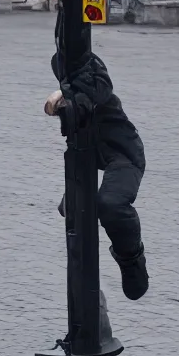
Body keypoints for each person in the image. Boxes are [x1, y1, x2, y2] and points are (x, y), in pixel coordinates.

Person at [43, 18, 149, 301]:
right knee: (72, 209)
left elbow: (100, 91)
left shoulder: (93, 74)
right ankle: (84, 304)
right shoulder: (65, 72)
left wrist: (68, 98)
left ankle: (131, 258)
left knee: (111, 204)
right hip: (89, 155)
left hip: (124, 153)